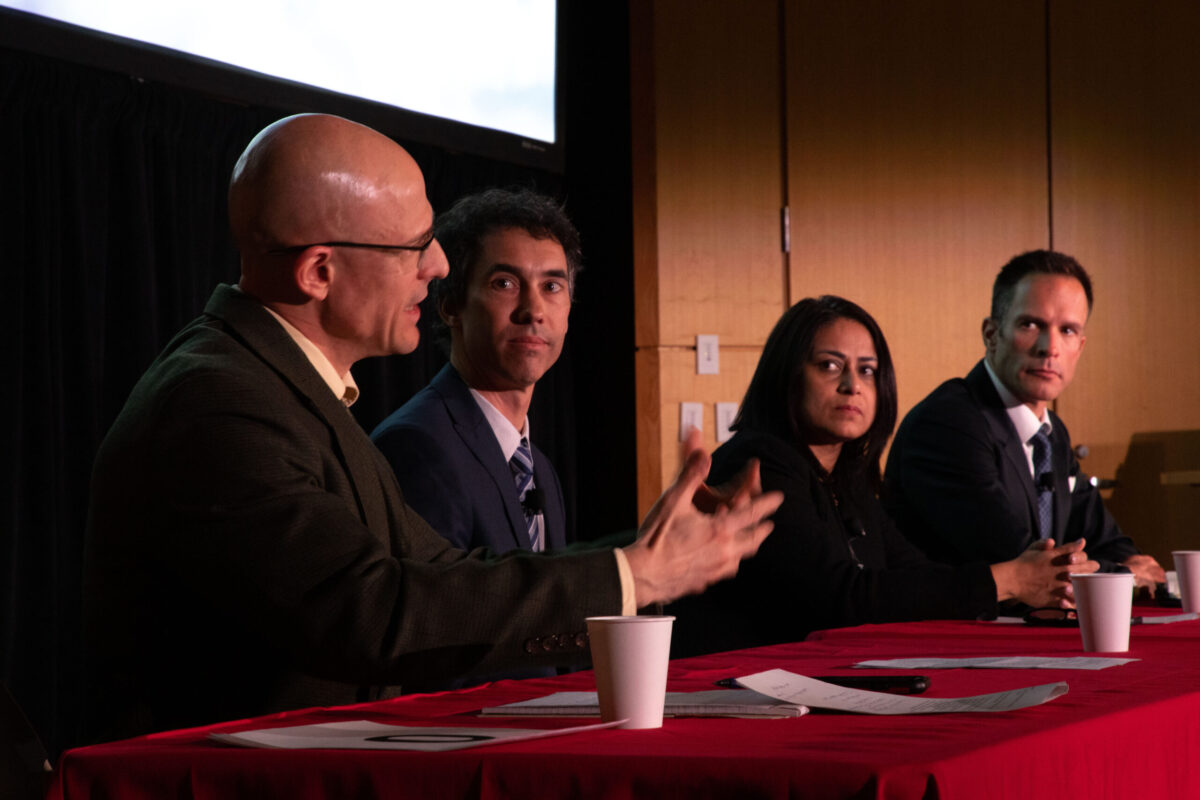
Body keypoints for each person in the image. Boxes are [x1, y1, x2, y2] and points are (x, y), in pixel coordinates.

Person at [82, 113, 781, 740]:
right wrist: (637, 571)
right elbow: (373, 612)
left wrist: (645, 556)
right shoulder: (219, 403)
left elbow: (442, 572)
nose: (438, 266)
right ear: (319, 271)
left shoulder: (283, 389)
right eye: (413, 247)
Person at [669, 295, 1095, 657]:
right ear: (787, 377)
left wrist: (1033, 586)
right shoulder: (759, 463)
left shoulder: (845, 478)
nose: (853, 385)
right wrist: (1012, 579)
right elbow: (842, 599)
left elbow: (910, 574)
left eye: (867, 370)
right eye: (830, 366)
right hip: (731, 697)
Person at [884, 250, 1163, 587]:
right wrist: (1125, 576)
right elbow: (1024, 564)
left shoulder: (1050, 433)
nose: (1050, 347)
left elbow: (1108, 541)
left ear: (1081, 347)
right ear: (991, 334)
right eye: (1031, 324)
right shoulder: (947, 424)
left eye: (1068, 330)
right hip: (954, 632)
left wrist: (1127, 564)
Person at [372, 189, 577, 555]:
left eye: (551, 286)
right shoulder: (417, 445)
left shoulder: (540, 469)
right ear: (451, 305)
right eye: (505, 284)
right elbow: (435, 606)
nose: (534, 310)